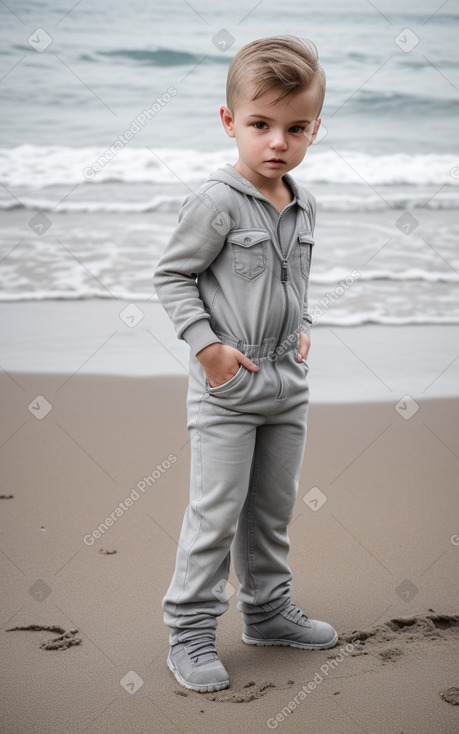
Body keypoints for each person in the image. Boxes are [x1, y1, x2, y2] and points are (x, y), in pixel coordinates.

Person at [153, 34, 338, 694]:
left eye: (294, 128)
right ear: (230, 122)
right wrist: (207, 348)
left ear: (315, 128)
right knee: (215, 512)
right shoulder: (215, 201)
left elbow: (297, 283)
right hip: (228, 384)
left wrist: (305, 326)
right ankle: (190, 630)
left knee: (271, 509)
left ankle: (266, 612)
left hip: (287, 382)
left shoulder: (304, 203)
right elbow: (173, 276)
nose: (276, 143)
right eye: (260, 125)